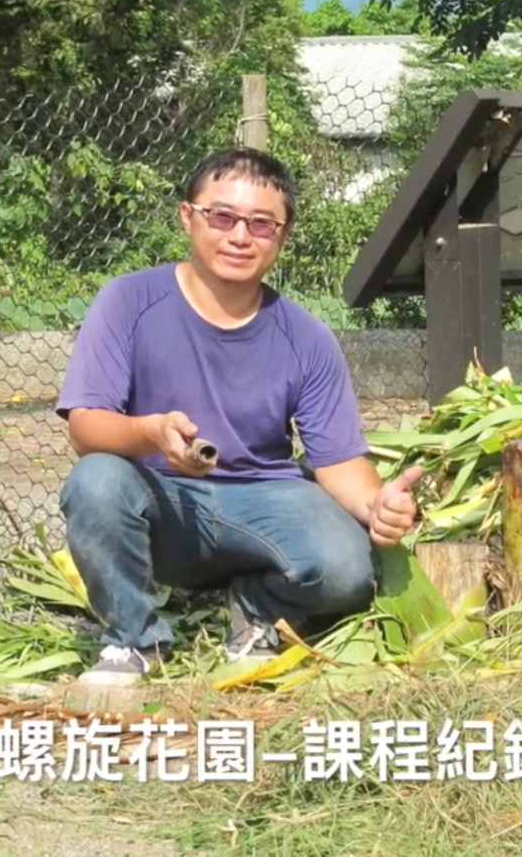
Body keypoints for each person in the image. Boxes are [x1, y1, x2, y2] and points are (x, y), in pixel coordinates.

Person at [54, 147, 424, 688]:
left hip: (264, 498)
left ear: (283, 234)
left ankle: (255, 604)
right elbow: (85, 426)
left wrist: (377, 505)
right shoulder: (128, 302)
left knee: (349, 568)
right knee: (96, 482)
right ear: (188, 216)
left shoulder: (306, 336)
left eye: (261, 224)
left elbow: (339, 460)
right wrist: (149, 432)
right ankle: (133, 643)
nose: (239, 236)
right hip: (163, 499)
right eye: (221, 216)